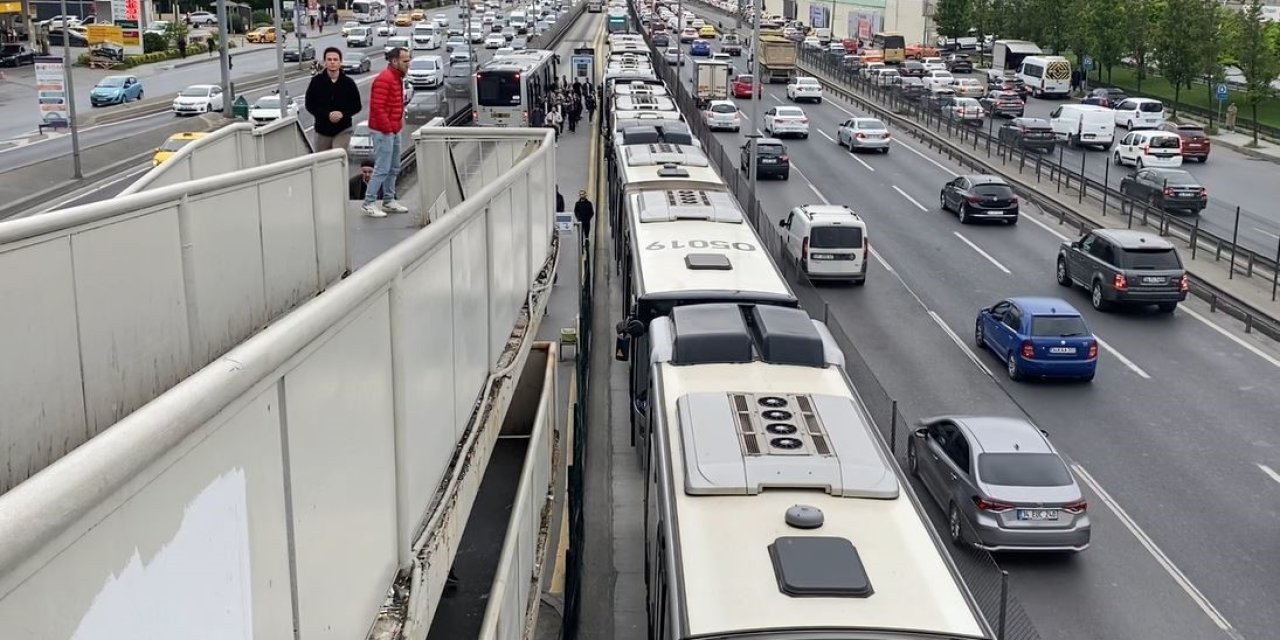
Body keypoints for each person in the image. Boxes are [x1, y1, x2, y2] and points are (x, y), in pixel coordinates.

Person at [364, 46, 411, 218]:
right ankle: (369, 202)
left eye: (408, 60)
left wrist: (397, 124)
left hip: (393, 129)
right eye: (405, 61)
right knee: (382, 167)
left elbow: (395, 105)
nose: (408, 63)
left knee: (394, 167)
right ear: (394, 61)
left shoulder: (396, 77)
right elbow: (377, 107)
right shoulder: (385, 79)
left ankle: (388, 199)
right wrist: (389, 128)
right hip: (384, 131)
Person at [305, 47, 362, 152]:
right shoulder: (316, 82)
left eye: (335, 60)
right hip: (322, 130)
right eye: (329, 59)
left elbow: (357, 106)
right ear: (325, 62)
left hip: (343, 129)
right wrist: (327, 115)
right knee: (322, 161)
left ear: (340, 62)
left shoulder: (348, 83)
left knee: (337, 155)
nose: (332, 62)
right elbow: (310, 104)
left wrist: (343, 114)